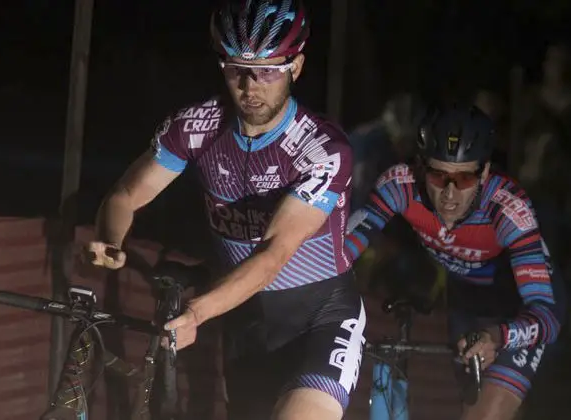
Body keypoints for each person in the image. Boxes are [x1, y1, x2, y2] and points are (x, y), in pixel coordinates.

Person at [85, 1, 364, 419]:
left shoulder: (321, 150)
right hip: (244, 320)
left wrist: (197, 311)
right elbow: (126, 194)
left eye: (268, 70)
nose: (250, 86)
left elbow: (274, 254)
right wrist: (110, 238)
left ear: (297, 66)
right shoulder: (195, 128)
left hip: (321, 319)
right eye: (235, 69)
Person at [345, 104, 566, 419]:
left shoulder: (508, 210)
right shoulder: (400, 184)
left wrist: (498, 336)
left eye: (464, 179)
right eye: (438, 175)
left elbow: (547, 316)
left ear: (485, 172)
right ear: (421, 166)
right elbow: (341, 254)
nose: (450, 193)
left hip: (518, 311)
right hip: (465, 302)